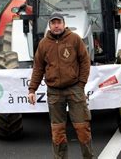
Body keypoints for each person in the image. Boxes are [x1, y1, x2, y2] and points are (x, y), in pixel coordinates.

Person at [28, 12, 93, 159]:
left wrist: (81, 84)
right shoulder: (44, 44)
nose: (56, 25)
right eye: (53, 23)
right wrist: (32, 89)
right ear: (49, 26)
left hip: (74, 89)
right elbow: (38, 68)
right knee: (58, 131)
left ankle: (89, 157)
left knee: (82, 128)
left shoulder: (75, 39)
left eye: (59, 23)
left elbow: (85, 61)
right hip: (54, 92)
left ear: (64, 24)